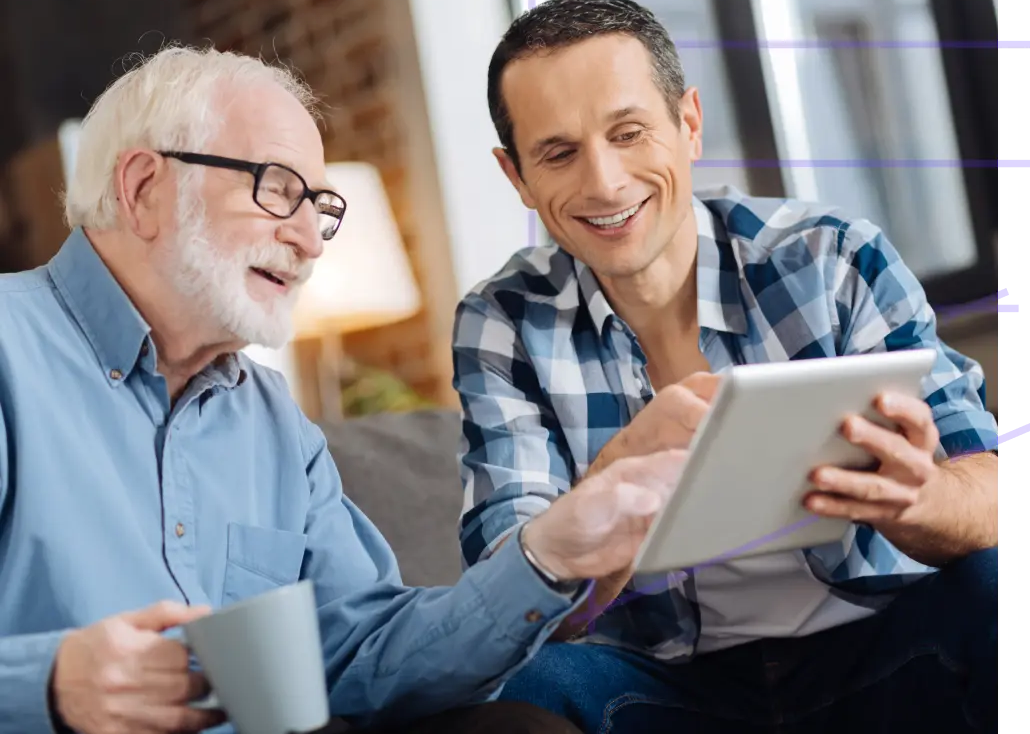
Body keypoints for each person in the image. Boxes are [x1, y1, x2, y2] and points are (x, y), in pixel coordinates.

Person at [0, 44, 694, 734]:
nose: (310, 238)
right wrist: (51, 684)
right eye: (277, 188)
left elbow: (367, 654)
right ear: (144, 187)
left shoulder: (272, 423)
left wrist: (550, 552)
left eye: (320, 205)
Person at [454, 0, 1000, 733]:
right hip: (668, 691)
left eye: (629, 132)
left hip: (887, 648)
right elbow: (507, 607)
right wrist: (611, 487)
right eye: (558, 152)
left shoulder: (831, 255)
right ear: (516, 175)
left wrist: (921, 499)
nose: (605, 181)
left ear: (689, 124)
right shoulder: (503, 321)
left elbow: (988, 486)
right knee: (522, 686)